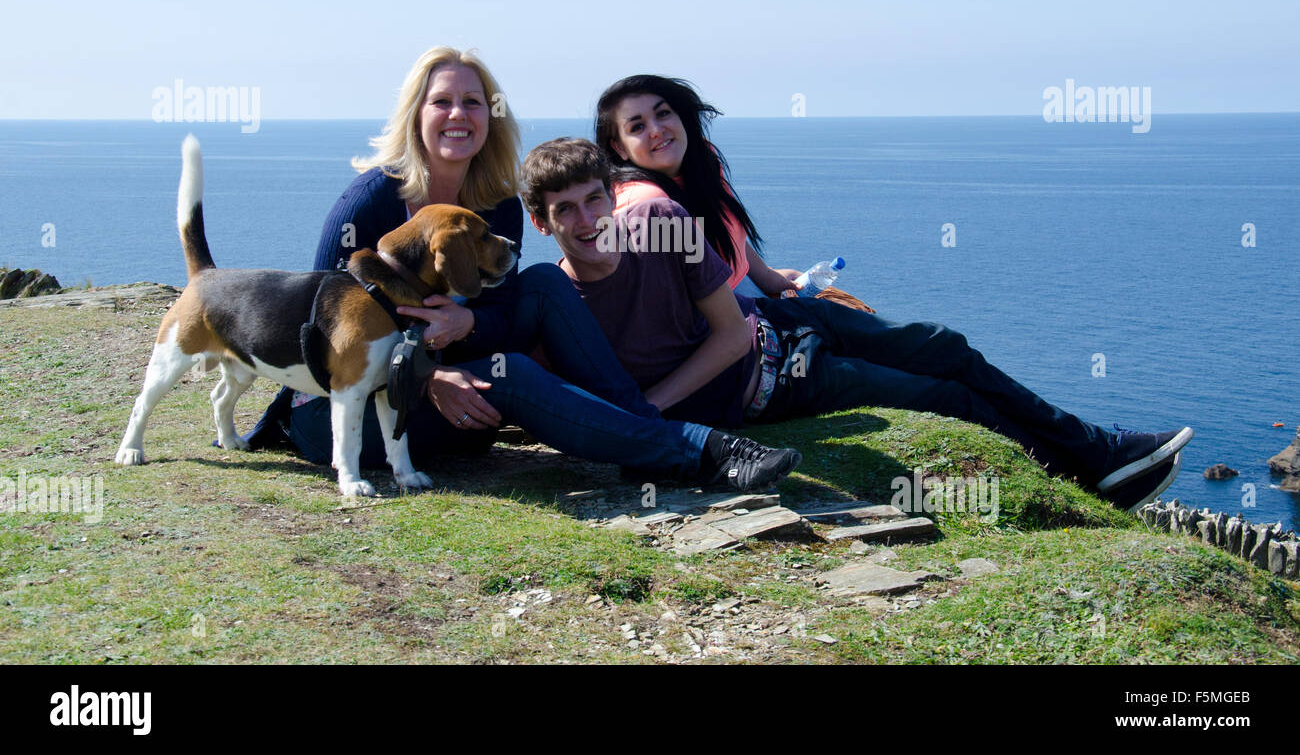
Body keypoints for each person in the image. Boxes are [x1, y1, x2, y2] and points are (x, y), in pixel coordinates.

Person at [521, 137, 1195, 512]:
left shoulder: (660, 224)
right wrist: (647, 416)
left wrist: (650, 406)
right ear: (540, 222)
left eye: (594, 200)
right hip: (776, 388)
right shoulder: (559, 311)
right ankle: (1081, 483)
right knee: (946, 399)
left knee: (945, 347)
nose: (588, 222)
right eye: (566, 211)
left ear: (615, 195)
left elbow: (730, 330)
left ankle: (1103, 452)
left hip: (780, 323)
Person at [242, 47, 800, 491]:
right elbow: (318, 337)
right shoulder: (367, 204)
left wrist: (470, 327)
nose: (459, 114)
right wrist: (429, 376)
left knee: (546, 282)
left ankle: (641, 429)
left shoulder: (496, 204)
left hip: (450, 388)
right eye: (442, 102)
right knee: (511, 377)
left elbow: (505, 311)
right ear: (416, 114)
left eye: (474, 101)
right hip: (344, 407)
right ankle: (698, 450)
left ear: (492, 115)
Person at [594, 74, 799, 298]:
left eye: (663, 113)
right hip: (711, 317)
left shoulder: (701, 160)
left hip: (737, 288)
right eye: (637, 127)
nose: (656, 130)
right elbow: (666, 301)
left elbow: (721, 230)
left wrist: (767, 277)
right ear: (619, 148)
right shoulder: (649, 202)